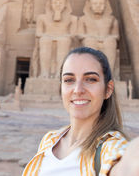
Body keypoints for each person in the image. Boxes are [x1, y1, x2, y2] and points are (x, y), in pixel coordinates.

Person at [22, 47, 139, 175]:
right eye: (69, 80)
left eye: (90, 79)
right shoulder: (49, 140)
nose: (78, 90)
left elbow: (128, 165)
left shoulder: (110, 147)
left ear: (108, 89)